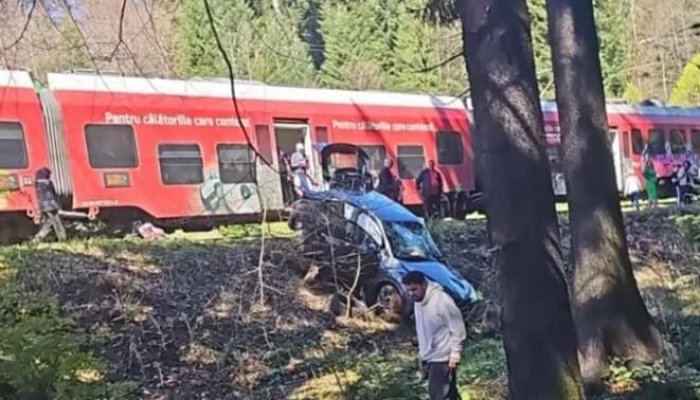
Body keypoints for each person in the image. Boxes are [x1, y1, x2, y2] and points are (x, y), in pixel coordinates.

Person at [402, 271, 465, 400]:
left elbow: (457, 326)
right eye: (408, 290)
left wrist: (455, 352)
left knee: (438, 394)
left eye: (414, 289)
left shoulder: (442, 300)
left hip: (443, 357)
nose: (411, 293)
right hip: (429, 356)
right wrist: (422, 352)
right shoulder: (418, 301)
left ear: (424, 284)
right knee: (449, 394)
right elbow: (424, 329)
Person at [32, 167, 66, 242]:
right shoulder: (48, 183)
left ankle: (38, 238)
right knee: (57, 223)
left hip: (43, 206)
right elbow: (53, 195)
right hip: (51, 206)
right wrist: (58, 205)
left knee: (49, 222)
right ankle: (62, 238)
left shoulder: (37, 183)